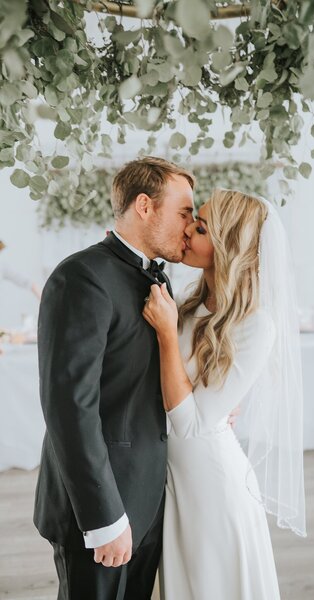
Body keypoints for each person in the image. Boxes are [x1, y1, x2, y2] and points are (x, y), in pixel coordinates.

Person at [33, 157, 196, 600]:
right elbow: (69, 409)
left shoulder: (154, 278)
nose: (190, 224)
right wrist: (103, 518)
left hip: (146, 499)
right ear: (145, 206)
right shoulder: (81, 277)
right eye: (184, 212)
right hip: (98, 510)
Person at [143, 189, 307, 600]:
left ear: (227, 246)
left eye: (200, 228)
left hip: (210, 486)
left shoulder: (256, 326)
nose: (187, 231)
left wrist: (166, 334)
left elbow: (190, 423)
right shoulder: (185, 302)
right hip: (170, 476)